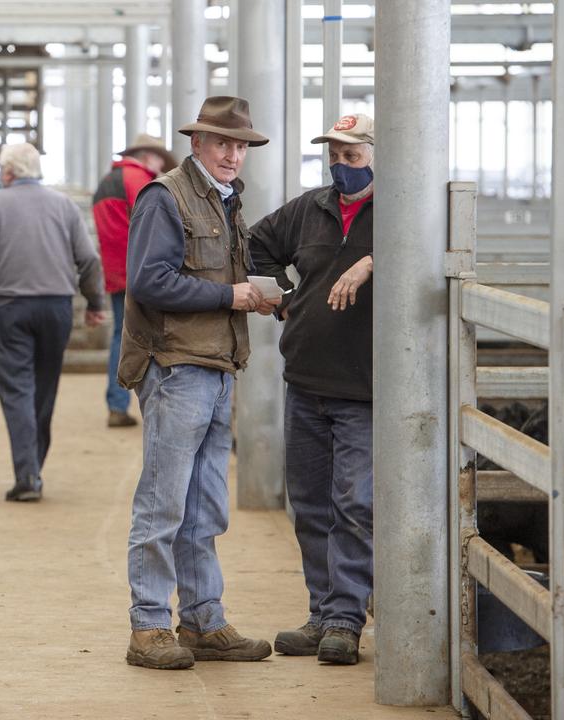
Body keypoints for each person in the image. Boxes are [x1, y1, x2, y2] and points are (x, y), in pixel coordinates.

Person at [119, 97, 279, 670]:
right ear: (197, 144)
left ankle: (203, 617)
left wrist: (254, 297)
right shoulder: (166, 198)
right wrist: (228, 296)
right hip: (176, 367)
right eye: (223, 144)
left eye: (240, 146)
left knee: (204, 504)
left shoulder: (226, 200)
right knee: (164, 502)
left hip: (215, 366)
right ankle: (149, 625)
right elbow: (149, 281)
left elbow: (212, 274)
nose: (234, 154)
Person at [248, 113, 375, 665]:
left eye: (353, 155)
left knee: (354, 503)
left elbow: (431, 256)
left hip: (364, 388)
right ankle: (322, 614)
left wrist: (373, 261)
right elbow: (256, 243)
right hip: (305, 379)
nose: (341, 165)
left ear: (376, 154)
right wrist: (281, 295)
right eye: (335, 155)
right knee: (309, 503)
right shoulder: (311, 208)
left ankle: (346, 620)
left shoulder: (403, 212)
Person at [0, 143, 106, 502]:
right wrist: (95, 302)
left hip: (10, 308)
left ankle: (27, 474)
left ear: (7, 172)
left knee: (18, 390)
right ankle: (34, 465)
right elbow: (88, 259)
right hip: (56, 308)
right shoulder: (64, 205)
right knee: (44, 389)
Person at [91, 133, 176, 429]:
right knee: (156, 338)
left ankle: (116, 404)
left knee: (120, 336)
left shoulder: (107, 182)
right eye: (158, 157)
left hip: (116, 273)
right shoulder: (139, 180)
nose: (161, 164)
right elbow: (157, 223)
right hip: (143, 271)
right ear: (145, 156)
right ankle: (157, 405)